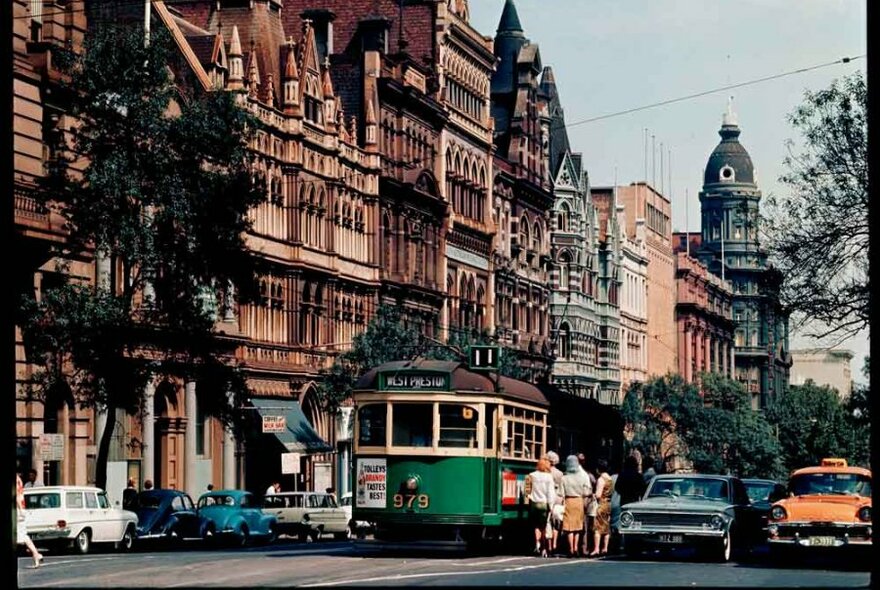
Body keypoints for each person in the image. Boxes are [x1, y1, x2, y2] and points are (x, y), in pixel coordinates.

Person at [559, 455, 591, 558]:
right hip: (579, 501)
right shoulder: (582, 477)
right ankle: (576, 548)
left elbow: (561, 493)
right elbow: (587, 491)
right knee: (577, 527)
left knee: (569, 527)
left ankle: (570, 549)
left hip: (569, 501)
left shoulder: (564, 478)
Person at [527, 457, 558, 557]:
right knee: (544, 526)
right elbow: (550, 493)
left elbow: (527, 491)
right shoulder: (548, 477)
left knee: (536, 525)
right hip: (544, 504)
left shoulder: (531, 475)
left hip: (534, 503)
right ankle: (544, 548)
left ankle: (537, 543)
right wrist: (551, 505)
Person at [16, 474, 44, 568]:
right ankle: (36, 555)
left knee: (22, 536)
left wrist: (20, 509)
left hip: (18, 510)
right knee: (23, 535)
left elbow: (16, 496)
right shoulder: (19, 479)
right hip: (21, 509)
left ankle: (36, 554)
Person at [590, 458, 613, 556]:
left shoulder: (601, 479)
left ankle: (596, 548)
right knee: (606, 527)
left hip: (601, 504)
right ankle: (605, 548)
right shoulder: (610, 479)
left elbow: (598, 494)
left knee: (598, 527)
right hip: (608, 503)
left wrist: (593, 494)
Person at [544, 451, 564, 555]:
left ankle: (549, 545)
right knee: (556, 524)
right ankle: (555, 544)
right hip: (557, 498)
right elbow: (562, 489)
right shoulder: (560, 473)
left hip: (547, 498)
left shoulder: (544, 472)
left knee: (548, 522)